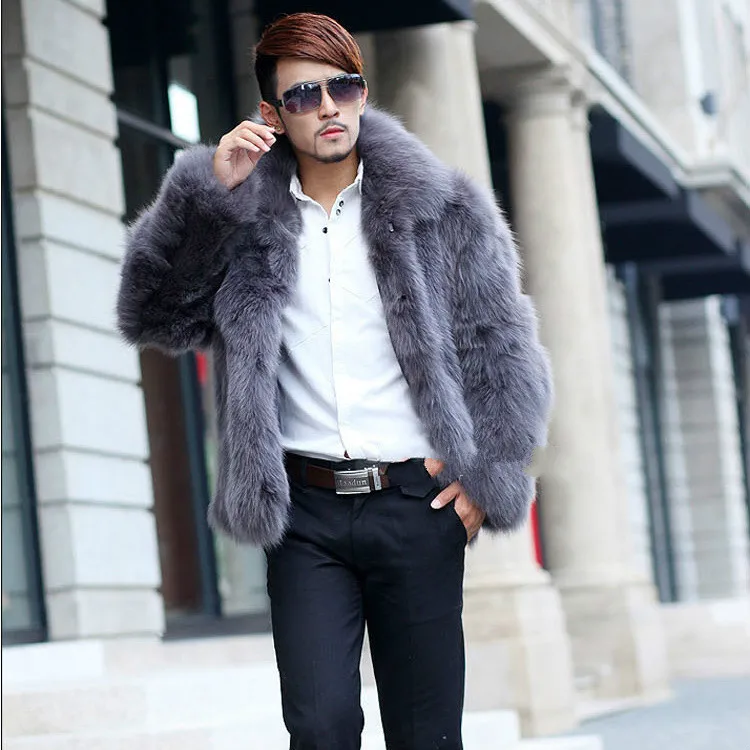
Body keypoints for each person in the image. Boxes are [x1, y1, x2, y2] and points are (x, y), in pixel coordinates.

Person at [116, 12, 552, 750]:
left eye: (341, 87)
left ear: (362, 92)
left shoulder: (442, 209)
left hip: (417, 502)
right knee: (319, 728)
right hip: (305, 514)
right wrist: (207, 199)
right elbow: (154, 314)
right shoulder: (242, 217)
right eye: (302, 95)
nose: (326, 108)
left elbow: (501, 346)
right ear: (272, 114)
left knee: (426, 735)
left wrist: (490, 477)